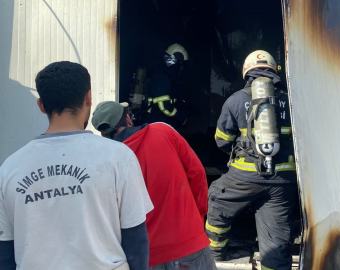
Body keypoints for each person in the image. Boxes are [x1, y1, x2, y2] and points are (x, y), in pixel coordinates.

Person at [0, 61, 153, 270]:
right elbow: (136, 242)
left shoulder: (10, 168)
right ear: (88, 98)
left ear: (41, 105)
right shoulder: (118, 157)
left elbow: (5, 250)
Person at [91, 101, 216, 270]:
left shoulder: (105, 161)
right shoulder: (163, 131)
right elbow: (197, 173)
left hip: (145, 256)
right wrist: (197, 217)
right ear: (128, 119)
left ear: (103, 135)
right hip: (188, 243)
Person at [206, 50, 298, 270]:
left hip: (243, 178)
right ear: (275, 70)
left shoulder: (236, 100)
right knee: (275, 240)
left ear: (246, 71)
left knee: (218, 198)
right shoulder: (291, 99)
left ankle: (215, 252)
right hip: (283, 182)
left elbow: (222, 141)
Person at [144, 43, 192, 129]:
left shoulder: (164, 75)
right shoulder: (161, 77)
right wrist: (180, 117)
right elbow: (163, 105)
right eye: (180, 63)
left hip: (158, 123)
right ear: (174, 60)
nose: (180, 67)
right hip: (157, 124)